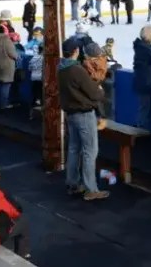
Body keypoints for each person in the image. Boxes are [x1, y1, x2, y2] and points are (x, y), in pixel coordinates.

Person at [58, 39, 108, 200]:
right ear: (76, 51)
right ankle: (90, 188)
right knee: (90, 151)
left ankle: (72, 183)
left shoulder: (61, 68)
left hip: (71, 113)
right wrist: (100, 91)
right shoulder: (76, 70)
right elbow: (94, 93)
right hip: (84, 113)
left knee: (74, 148)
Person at [133, 26, 151, 130]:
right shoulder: (146, 49)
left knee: (145, 106)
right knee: (145, 106)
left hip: (143, 80)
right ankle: (140, 127)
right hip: (146, 82)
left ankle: (140, 125)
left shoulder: (141, 47)